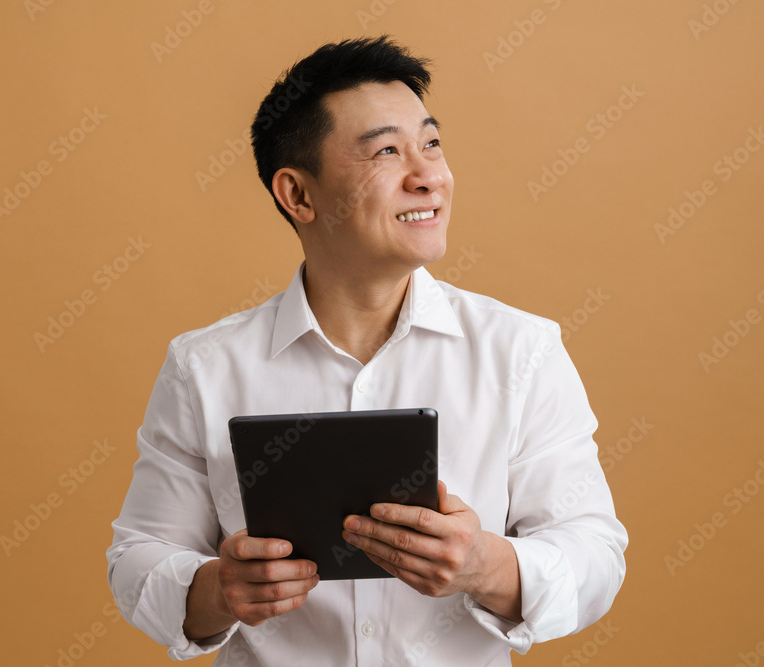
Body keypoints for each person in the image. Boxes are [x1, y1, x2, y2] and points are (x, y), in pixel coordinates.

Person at [107, 36, 628, 666]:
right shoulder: (203, 368)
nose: (429, 175)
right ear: (298, 195)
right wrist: (219, 588)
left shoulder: (521, 351)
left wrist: (486, 564)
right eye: (387, 150)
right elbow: (136, 559)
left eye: (431, 143)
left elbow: (595, 555)